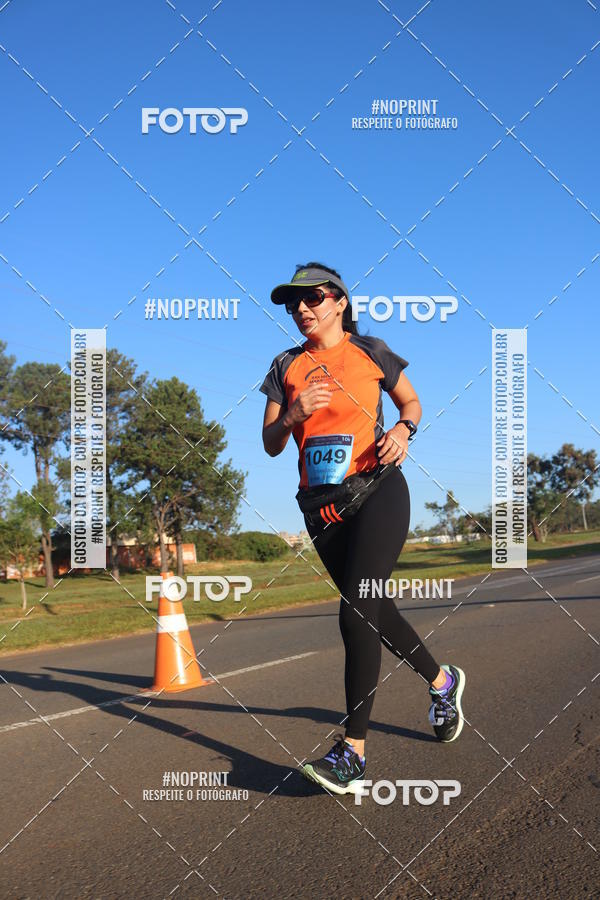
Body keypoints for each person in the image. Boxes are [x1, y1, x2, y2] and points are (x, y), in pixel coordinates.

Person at [259, 261, 465, 795]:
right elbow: (270, 442)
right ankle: (443, 683)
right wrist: (292, 415)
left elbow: (412, 401)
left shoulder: (370, 352)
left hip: (376, 491)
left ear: (340, 302)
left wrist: (404, 426)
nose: (303, 310)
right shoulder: (285, 365)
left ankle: (353, 752)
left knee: (356, 612)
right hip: (321, 509)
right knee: (377, 609)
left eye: (314, 299)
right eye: (293, 303)